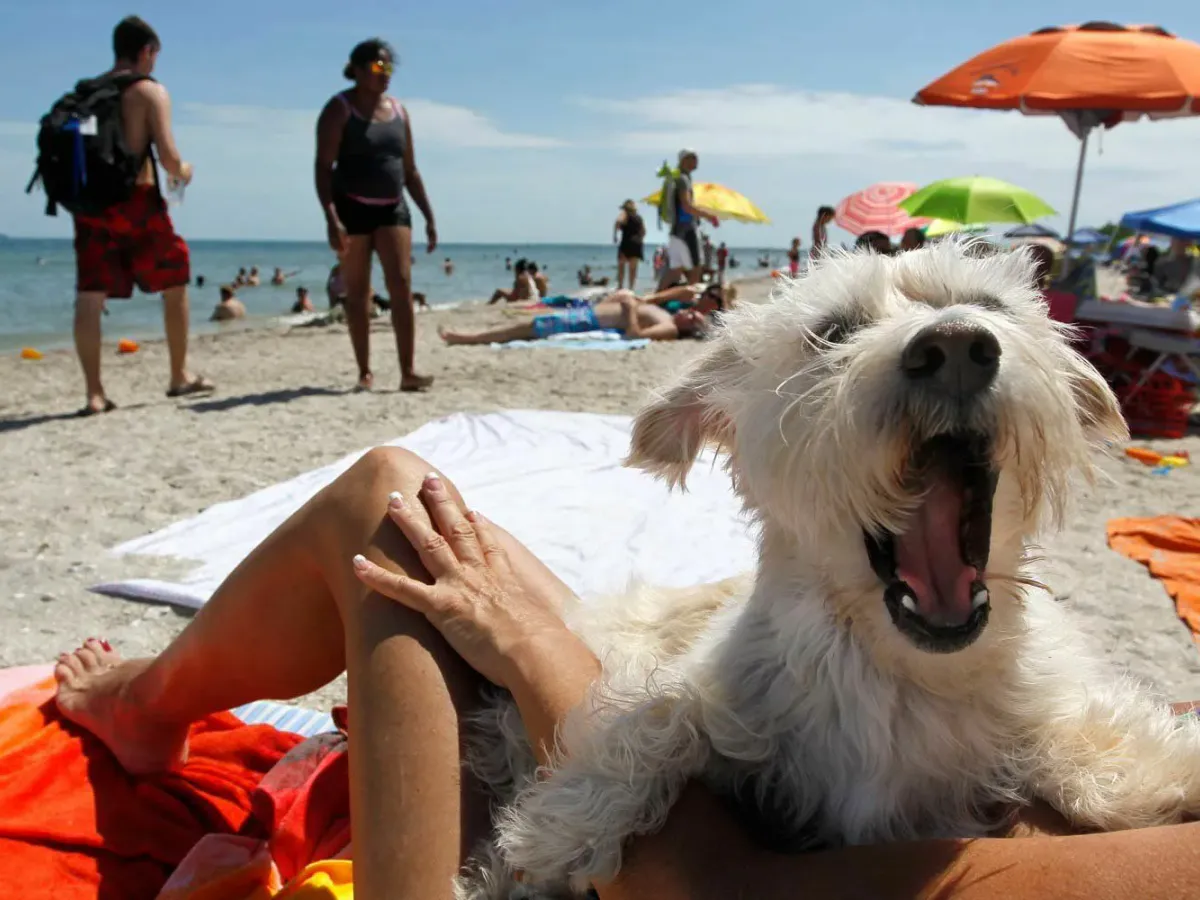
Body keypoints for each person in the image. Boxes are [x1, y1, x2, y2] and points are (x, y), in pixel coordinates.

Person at [48, 451, 1200, 900]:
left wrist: (538, 651)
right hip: (759, 821)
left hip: (654, 873)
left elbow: (716, 893)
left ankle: (145, 708)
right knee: (454, 547)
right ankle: (148, 702)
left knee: (392, 511)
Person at [68, 16, 212, 416]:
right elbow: (168, 158)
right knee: (176, 277)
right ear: (147, 51)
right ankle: (179, 375)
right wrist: (186, 172)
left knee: (90, 294)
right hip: (137, 200)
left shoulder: (86, 94)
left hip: (91, 206)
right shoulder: (148, 92)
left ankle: (94, 393)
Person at [316, 38, 437, 392]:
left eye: (388, 68)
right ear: (356, 70)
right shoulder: (339, 110)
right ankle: (364, 371)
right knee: (358, 294)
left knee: (401, 284)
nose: (385, 75)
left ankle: (408, 370)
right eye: (377, 68)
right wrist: (330, 216)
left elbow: (410, 170)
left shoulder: (399, 112)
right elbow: (323, 166)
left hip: (393, 207)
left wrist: (428, 215)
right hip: (351, 207)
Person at [442, 289, 720, 344]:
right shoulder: (668, 313)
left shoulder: (669, 328)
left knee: (527, 327)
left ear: (688, 329)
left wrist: (630, 310)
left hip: (591, 321)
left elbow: (635, 334)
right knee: (523, 323)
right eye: (694, 312)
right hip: (589, 312)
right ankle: (471, 335)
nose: (691, 312)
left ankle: (466, 338)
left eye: (693, 318)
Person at [661, 149, 720, 289]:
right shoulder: (683, 179)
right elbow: (687, 206)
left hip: (676, 229)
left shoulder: (679, 178)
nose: (696, 160)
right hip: (686, 228)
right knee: (696, 267)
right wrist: (709, 216)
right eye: (692, 157)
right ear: (684, 160)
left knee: (675, 270)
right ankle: (692, 301)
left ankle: (656, 298)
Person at [613, 199, 645, 290]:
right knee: (633, 269)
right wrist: (639, 239)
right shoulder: (639, 218)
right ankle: (631, 289)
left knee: (621, 266)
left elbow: (617, 222)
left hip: (627, 242)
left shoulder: (624, 214)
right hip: (637, 243)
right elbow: (643, 231)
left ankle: (620, 287)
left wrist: (615, 234)